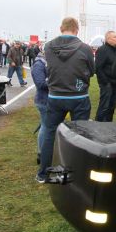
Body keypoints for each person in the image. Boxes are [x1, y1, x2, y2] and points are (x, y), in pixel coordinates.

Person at [37, 17, 96, 183]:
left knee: (49, 133)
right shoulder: (84, 48)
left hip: (55, 95)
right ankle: (79, 173)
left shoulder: (49, 46)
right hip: (79, 96)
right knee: (81, 134)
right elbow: (92, 71)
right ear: (76, 29)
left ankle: (43, 173)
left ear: (61, 28)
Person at [94, 31, 116, 121]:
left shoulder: (115, 51)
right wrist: (105, 82)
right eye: (115, 37)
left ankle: (108, 126)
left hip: (115, 84)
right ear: (108, 39)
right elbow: (98, 68)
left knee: (112, 107)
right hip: (107, 84)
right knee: (104, 107)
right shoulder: (102, 50)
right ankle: (98, 126)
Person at [30, 45, 48, 164]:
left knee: (46, 126)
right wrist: (58, 81)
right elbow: (41, 84)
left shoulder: (46, 63)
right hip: (43, 100)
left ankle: (45, 152)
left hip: (49, 99)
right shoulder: (39, 64)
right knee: (45, 127)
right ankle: (41, 154)